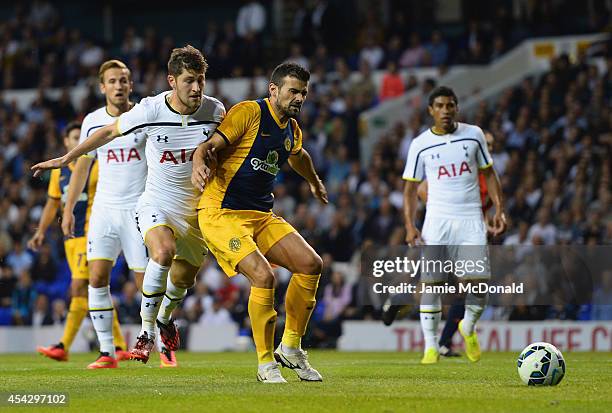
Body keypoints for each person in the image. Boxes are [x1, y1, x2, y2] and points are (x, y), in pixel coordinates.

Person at [32, 45, 225, 365]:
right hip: (146, 204)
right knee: (149, 259)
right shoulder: (144, 112)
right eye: (189, 80)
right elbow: (105, 135)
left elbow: (229, 148)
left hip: (193, 210)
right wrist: (68, 158)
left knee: (179, 281)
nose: (196, 88)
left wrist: (208, 162)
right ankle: (132, 340)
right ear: (171, 81)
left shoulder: (215, 111)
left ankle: (164, 325)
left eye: (201, 81)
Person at [192, 62, 327, 383]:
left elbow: (298, 155)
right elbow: (210, 145)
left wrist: (314, 181)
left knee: (311, 264)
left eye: (303, 93)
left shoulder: (291, 130)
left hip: (260, 215)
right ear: (274, 90)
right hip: (221, 212)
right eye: (293, 91)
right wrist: (199, 162)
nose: (298, 98)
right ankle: (266, 363)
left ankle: (291, 347)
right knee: (264, 277)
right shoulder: (249, 113)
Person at [402, 86, 506, 364]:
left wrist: (499, 208)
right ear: (431, 110)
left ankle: (468, 326)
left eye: (450, 105)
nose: (445, 111)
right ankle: (431, 347)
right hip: (436, 220)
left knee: (479, 283)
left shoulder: (474, 135)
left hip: (471, 218)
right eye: (440, 106)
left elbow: (490, 173)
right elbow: (411, 189)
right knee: (432, 284)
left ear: (456, 107)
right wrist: (410, 225)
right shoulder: (420, 144)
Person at [61, 60, 152, 369]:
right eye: (112, 81)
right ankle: (107, 352)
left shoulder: (142, 116)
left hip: (137, 211)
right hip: (103, 211)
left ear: (130, 84)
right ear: (103, 87)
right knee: (97, 278)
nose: (118, 86)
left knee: (146, 284)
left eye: (124, 80)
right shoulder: (91, 121)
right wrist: (69, 209)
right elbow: (81, 170)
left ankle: (158, 341)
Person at [383, 131, 497, 358]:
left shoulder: (486, 176)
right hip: (441, 231)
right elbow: (422, 189)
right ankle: (440, 340)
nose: (489, 149)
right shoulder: (459, 167)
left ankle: (401, 302)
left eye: (492, 146)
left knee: (458, 288)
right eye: (487, 144)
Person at [29, 122, 126, 361]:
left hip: (91, 231)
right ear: (66, 142)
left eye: (80, 137)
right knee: (95, 289)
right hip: (70, 239)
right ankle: (121, 345)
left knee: (80, 288)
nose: (77, 141)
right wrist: (41, 231)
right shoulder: (59, 172)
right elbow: (53, 203)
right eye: (74, 137)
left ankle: (64, 346)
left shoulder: (96, 165)